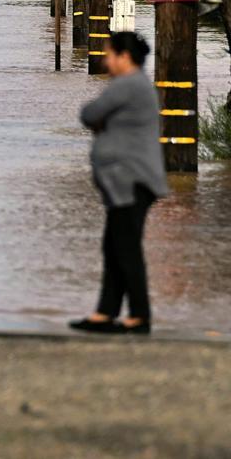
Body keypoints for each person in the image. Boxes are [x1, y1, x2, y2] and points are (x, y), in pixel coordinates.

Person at [70, 31, 168, 336]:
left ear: (124, 57)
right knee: (114, 246)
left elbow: (90, 113)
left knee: (124, 248)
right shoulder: (135, 86)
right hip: (126, 181)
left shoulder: (128, 85)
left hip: (131, 181)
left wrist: (101, 123)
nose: (105, 59)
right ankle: (105, 313)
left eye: (109, 53)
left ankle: (139, 316)